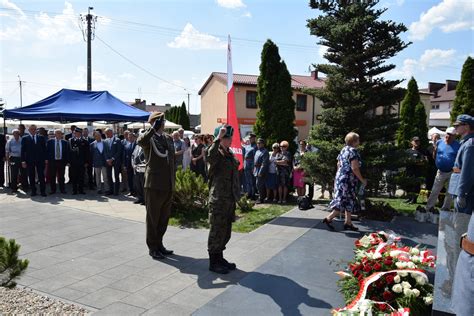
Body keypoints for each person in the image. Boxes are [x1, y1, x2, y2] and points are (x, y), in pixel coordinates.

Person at [137, 112, 176, 260]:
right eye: (160, 121)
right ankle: (152, 247)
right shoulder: (149, 138)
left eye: (163, 121)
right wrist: (153, 129)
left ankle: (159, 244)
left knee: (163, 219)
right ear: (153, 122)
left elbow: (171, 160)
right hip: (154, 185)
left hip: (168, 184)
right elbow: (140, 141)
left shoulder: (167, 138)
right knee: (153, 218)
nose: (163, 123)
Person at [207, 125, 240, 274]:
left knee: (225, 231)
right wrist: (217, 138)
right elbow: (210, 154)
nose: (230, 140)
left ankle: (220, 258)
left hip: (229, 199)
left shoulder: (229, 153)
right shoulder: (216, 155)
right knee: (216, 231)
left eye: (230, 137)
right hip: (218, 199)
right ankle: (213, 262)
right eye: (226, 138)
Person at [450, 114, 474, 316]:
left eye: (459, 126)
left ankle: (459, 274)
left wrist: (462, 194)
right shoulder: (466, 143)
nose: (456, 129)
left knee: (462, 231)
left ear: (467, 127)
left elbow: (467, 171)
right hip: (459, 189)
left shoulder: (470, 145)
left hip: (465, 195)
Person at [323, 132, 366, 231]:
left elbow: (338, 164)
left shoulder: (343, 150)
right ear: (354, 141)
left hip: (341, 178)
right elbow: (354, 168)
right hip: (348, 180)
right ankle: (329, 218)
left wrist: (338, 178)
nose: (359, 142)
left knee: (348, 200)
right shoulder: (353, 152)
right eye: (358, 140)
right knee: (343, 200)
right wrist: (362, 180)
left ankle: (348, 222)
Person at [424, 127, 460, 212]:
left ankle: (446, 208)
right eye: (447, 134)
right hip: (440, 171)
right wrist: (438, 162)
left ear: (454, 136)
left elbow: (460, 159)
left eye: (451, 135)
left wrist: (456, 169)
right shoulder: (439, 142)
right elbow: (435, 153)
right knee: (435, 190)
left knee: (450, 192)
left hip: (452, 172)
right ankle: (429, 208)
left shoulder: (458, 145)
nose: (448, 136)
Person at [21, 125, 47, 197]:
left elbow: (44, 149)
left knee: (41, 176)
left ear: (36, 130)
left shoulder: (41, 137)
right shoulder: (24, 138)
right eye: (31, 129)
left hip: (40, 160)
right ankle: (33, 191)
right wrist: (23, 161)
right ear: (28, 130)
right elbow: (23, 150)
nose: (33, 130)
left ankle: (43, 191)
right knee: (31, 176)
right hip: (30, 160)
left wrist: (46, 159)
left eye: (34, 129)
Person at [405, 136, 428, 204]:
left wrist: (415, 162)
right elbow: (404, 160)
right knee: (408, 186)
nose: (417, 143)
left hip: (417, 172)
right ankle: (409, 198)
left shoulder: (422, 151)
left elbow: (424, 161)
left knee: (416, 187)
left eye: (418, 141)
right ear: (411, 142)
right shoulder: (408, 151)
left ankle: (414, 199)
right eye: (415, 141)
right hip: (409, 171)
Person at [46, 129, 69, 194]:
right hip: (52, 161)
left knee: (61, 176)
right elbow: (47, 151)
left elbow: (67, 153)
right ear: (55, 134)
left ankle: (62, 189)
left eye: (60, 133)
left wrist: (67, 161)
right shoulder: (50, 142)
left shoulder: (65, 142)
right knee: (52, 176)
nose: (59, 134)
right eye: (57, 133)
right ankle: (53, 190)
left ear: (61, 134)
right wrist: (47, 159)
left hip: (61, 162)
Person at [69, 128, 89, 195]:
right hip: (73, 162)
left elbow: (87, 153)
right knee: (74, 177)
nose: (76, 134)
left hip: (82, 162)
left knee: (81, 177)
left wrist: (86, 162)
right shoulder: (70, 141)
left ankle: (81, 190)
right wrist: (69, 162)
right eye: (75, 133)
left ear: (80, 133)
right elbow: (68, 152)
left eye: (77, 133)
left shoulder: (85, 141)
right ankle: (74, 190)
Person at [104, 128, 123, 195]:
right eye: (106, 133)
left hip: (116, 161)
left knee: (116, 176)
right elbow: (105, 151)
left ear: (111, 132)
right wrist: (107, 160)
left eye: (107, 133)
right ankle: (111, 190)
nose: (106, 134)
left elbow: (119, 151)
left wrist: (112, 159)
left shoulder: (117, 140)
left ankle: (116, 191)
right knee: (109, 176)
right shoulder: (105, 141)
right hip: (108, 162)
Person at [254, 138, 269, 203]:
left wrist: (261, 171)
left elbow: (264, 163)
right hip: (256, 169)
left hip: (261, 170)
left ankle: (261, 198)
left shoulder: (265, 151)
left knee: (259, 184)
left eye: (259, 143)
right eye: (257, 143)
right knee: (257, 185)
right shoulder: (257, 151)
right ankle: (260, 197)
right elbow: (254, 161)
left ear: (263, 144)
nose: (258, 144)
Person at [131, 140, 146, 205]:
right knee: (137, 184)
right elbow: (133, 156)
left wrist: (143, 162)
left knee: (143, 184)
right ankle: (139, 198)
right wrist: (133, 164)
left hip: (142, 169)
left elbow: (147, 158)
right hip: (136, 169)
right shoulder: (136, 147)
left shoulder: (146, 147)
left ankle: (145, 200)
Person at [243, 133, 257, 199]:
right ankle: (249, 193)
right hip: (246, 162)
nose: (250, 139)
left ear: (254, 138)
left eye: (252, 138)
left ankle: (253, 194)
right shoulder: (247, 146)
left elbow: (255, 157)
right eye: (250, 138)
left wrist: (254, 166)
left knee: (252, 180)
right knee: (247, 179)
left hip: (252, 163)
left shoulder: (255, 146)